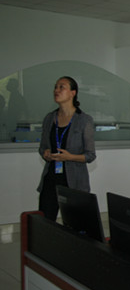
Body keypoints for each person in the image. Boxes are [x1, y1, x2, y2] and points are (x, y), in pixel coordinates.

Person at [37, 76, 96, 221]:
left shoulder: (84, 120)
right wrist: (45, 153)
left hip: (74, 182)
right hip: (51, 179)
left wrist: (69, 157)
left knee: (74, 225)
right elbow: (43, 147)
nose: (56, 90)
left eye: (61, 87)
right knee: (45, 222)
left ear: (72, 93)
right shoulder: (49, 118)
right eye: (55, 87)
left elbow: (90, 155)